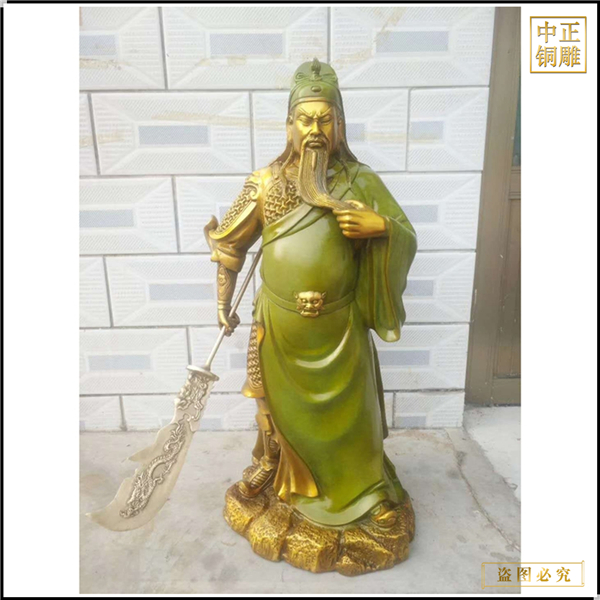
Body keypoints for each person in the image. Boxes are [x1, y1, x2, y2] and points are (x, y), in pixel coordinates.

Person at [206, 58, 417, 531]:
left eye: (325, 120)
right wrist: (222, 302)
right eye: (305, 120)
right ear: (289, 126)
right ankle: (274, 468)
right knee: (271, 408)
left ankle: (366, 491)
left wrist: (381, 227)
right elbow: (229, 245)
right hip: (280, 326)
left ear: (339, 125)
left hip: (341, 328)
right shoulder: (264, 184)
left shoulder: (360, 181)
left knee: (356, 420)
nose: (315, 131)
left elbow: (405, 233)